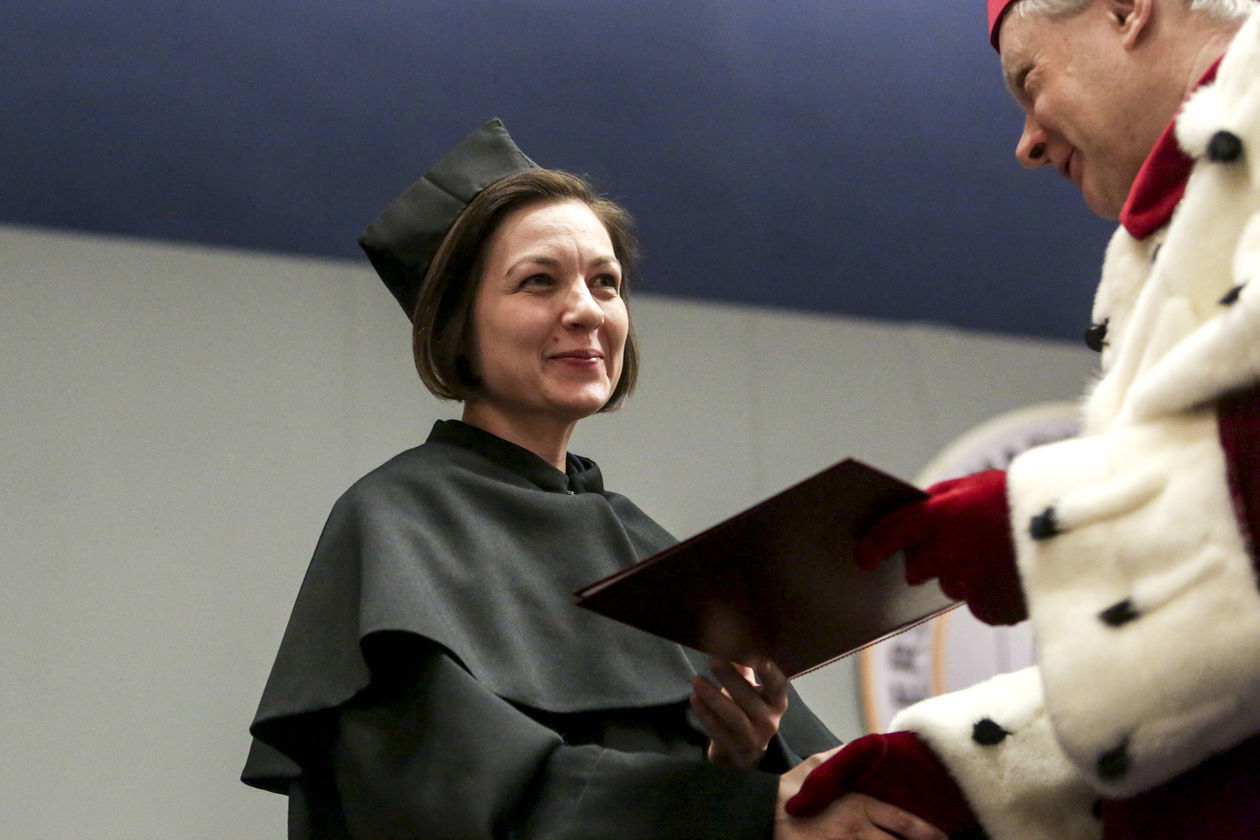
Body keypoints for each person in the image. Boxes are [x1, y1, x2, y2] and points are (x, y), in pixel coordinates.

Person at [240, 118, 948, 840]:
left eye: (604, 282)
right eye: (538, 281)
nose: (585, 309)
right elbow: (453, 799)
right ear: (457, 323)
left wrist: (737, 760)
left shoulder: (641, 544)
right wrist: (740, 811)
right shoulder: (397, 523)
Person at [786, 1, 1260, 838]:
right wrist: (954, 774)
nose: (1027, 144)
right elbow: (1192, 692)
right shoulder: (1172, 249)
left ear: (1127, 11)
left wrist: (1035, 523)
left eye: (1029, 81)